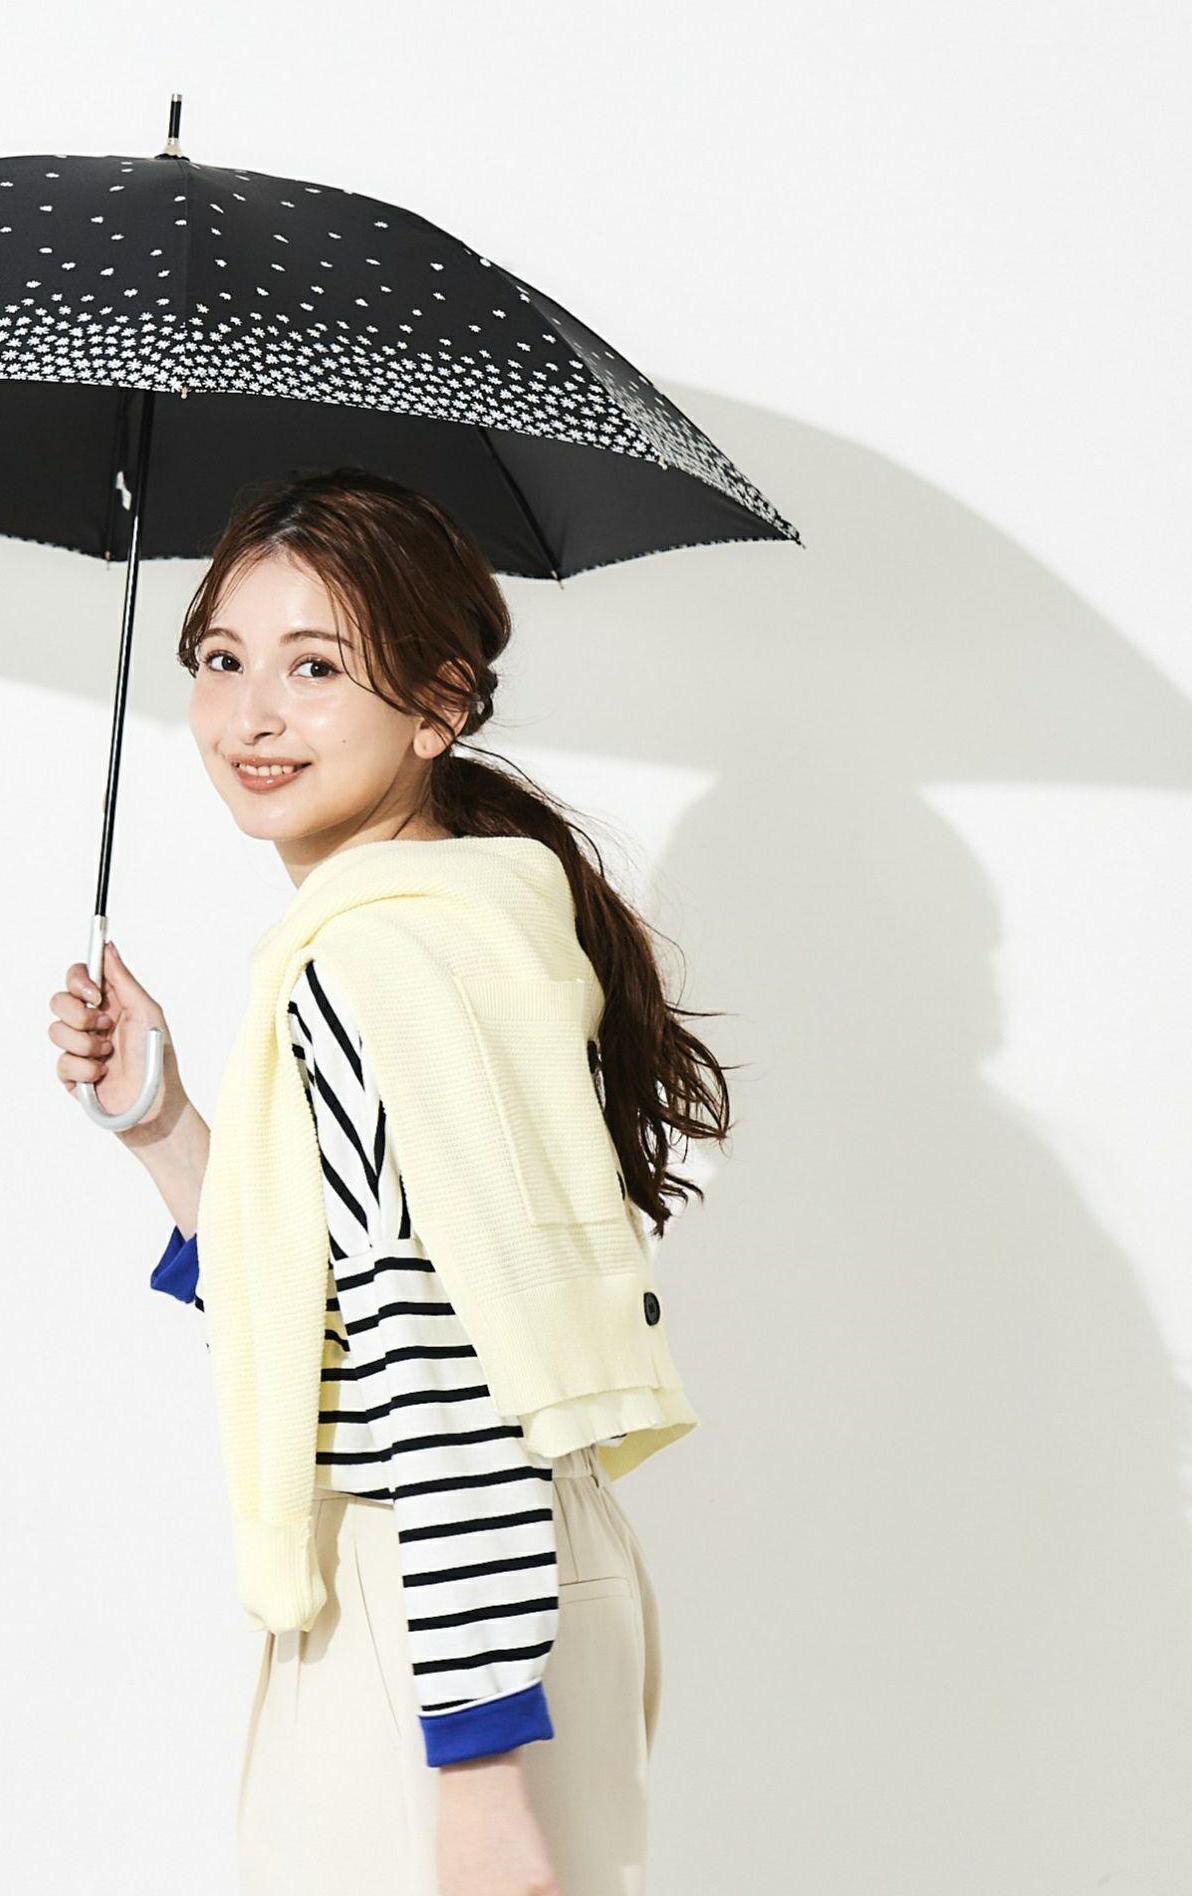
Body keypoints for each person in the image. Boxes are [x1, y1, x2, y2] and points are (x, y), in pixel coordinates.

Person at [46, 467, 731, 1896]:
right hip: (520, 1580)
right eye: (222, 659)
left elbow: (444, 1358)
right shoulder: (467, 924)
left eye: (315, 668)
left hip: (438, 1609)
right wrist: (161, 1125)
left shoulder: (371, 963)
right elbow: (349, 1310)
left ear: (440, 703)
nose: (251, 716)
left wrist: (476, 1771)